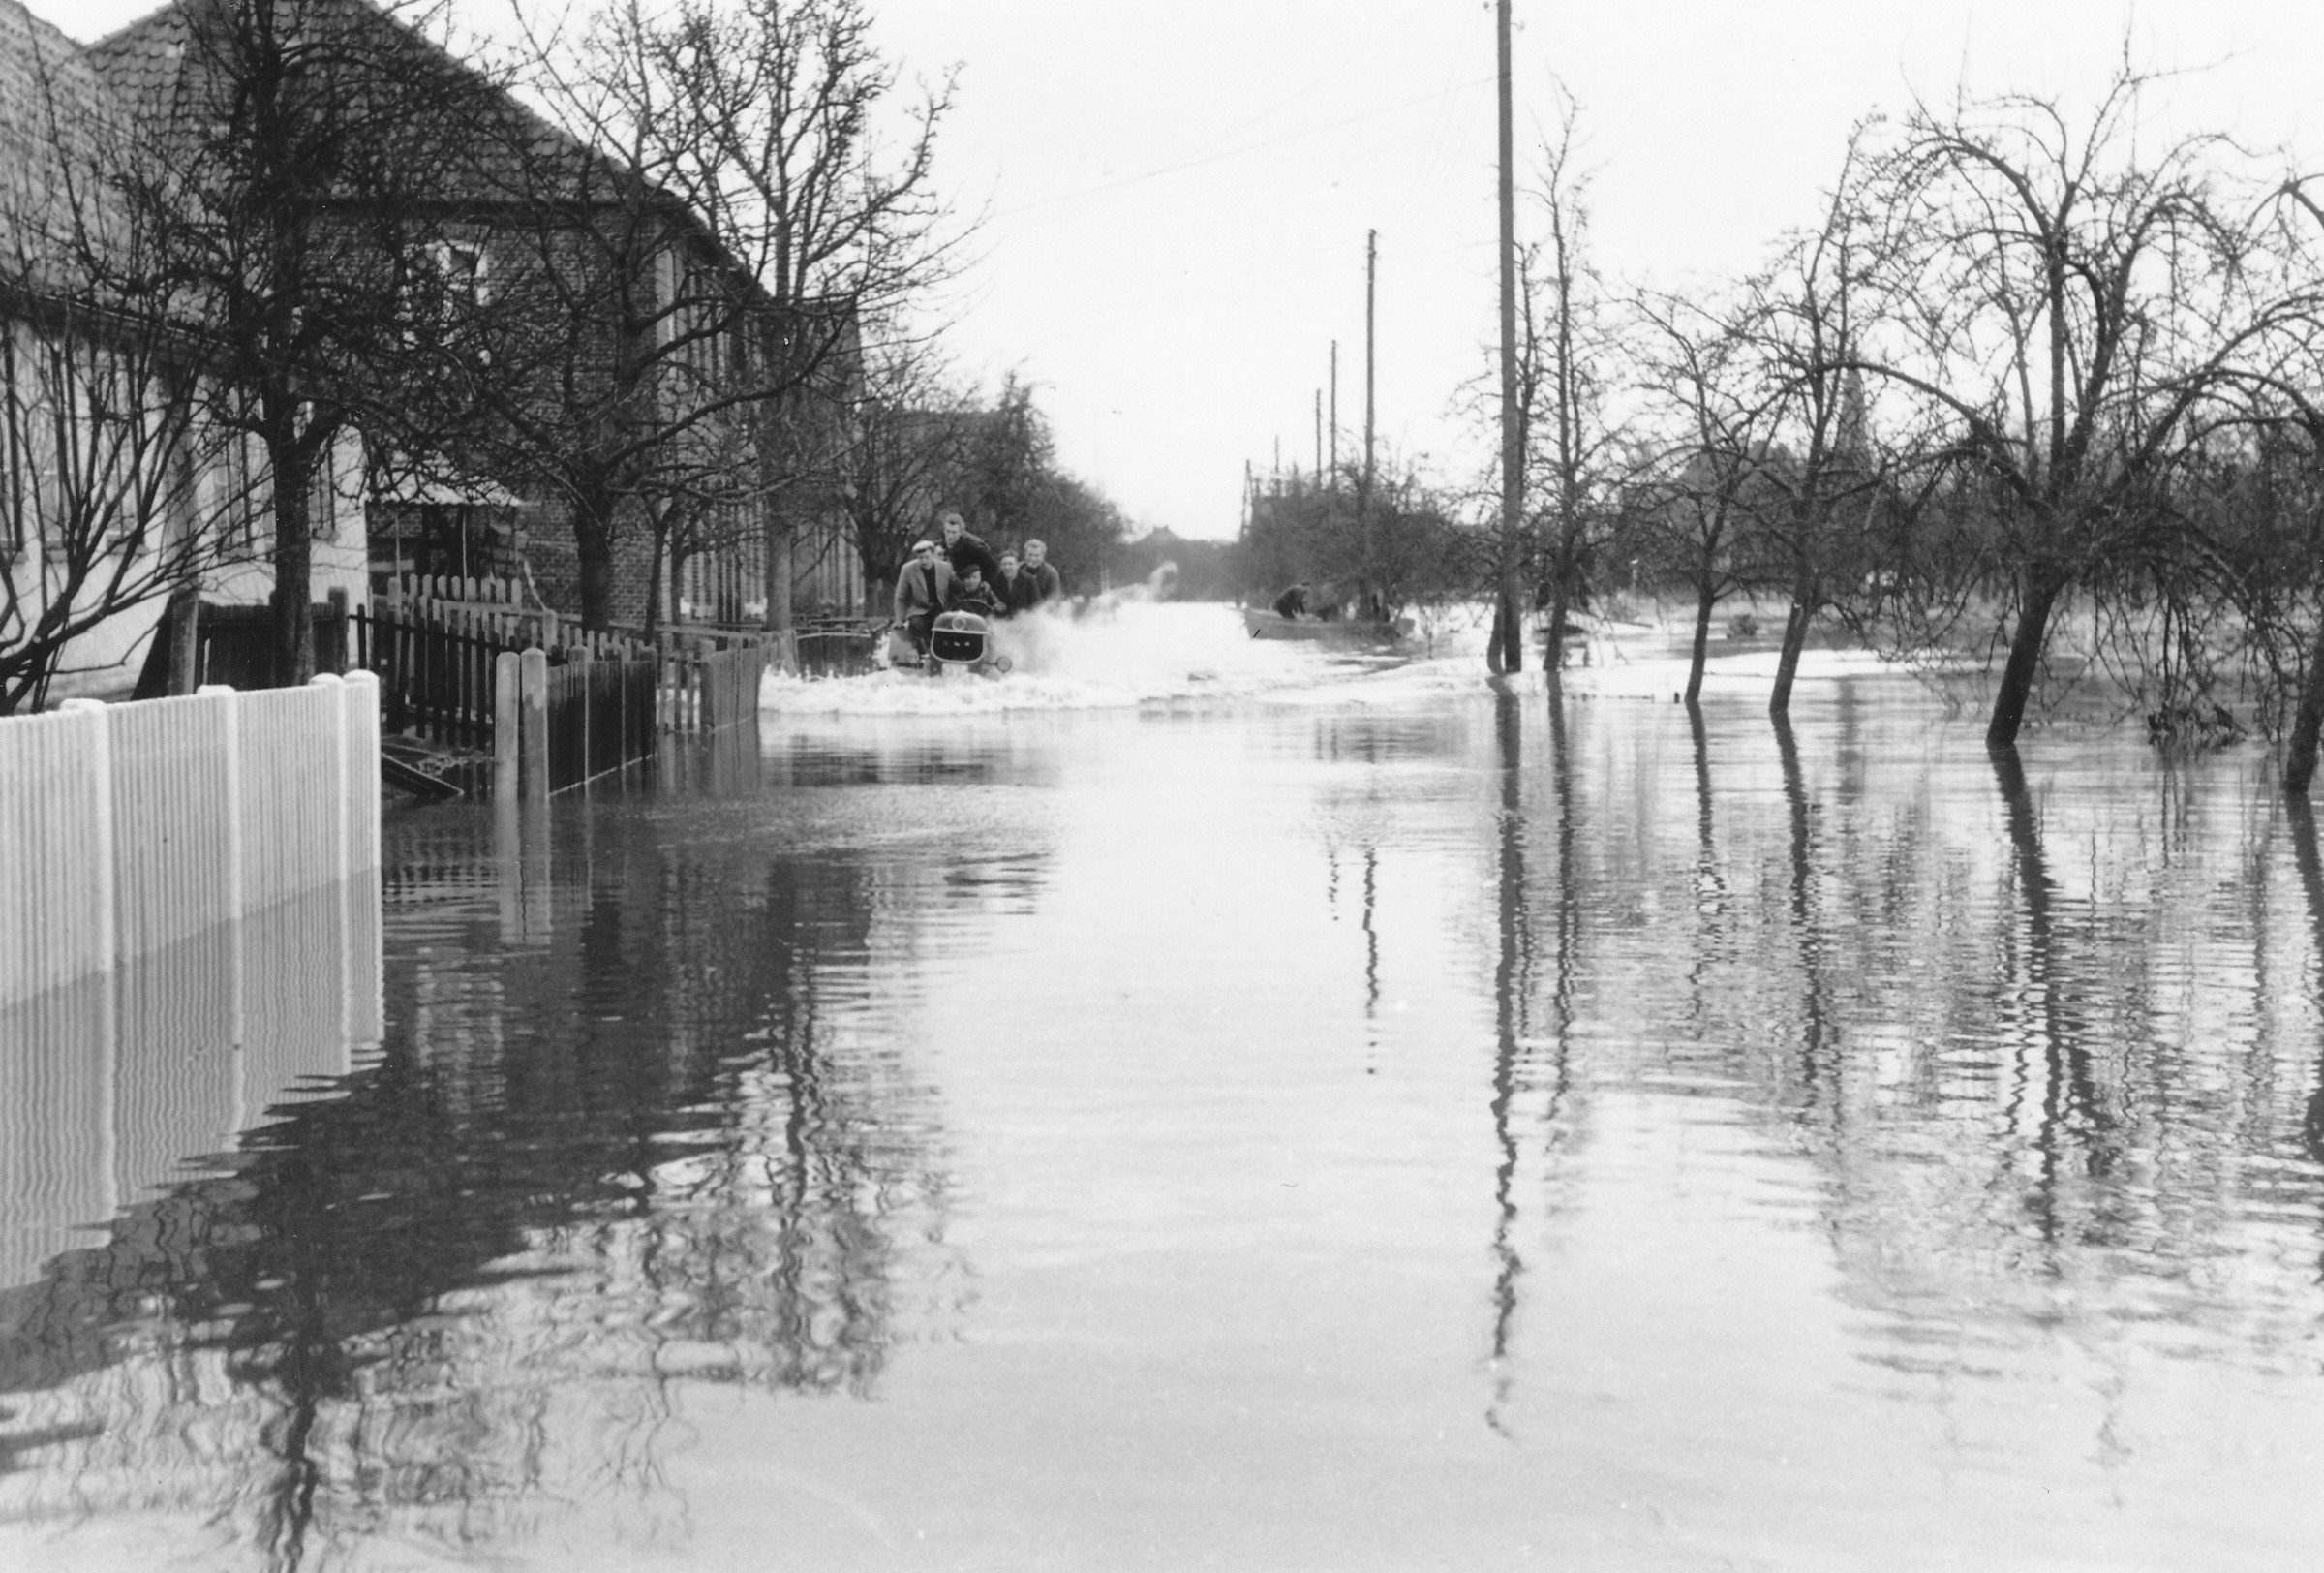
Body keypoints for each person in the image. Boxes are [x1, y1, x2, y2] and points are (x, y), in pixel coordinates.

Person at [892, 538, 951, 656]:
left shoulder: (945, 568)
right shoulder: (908, 569)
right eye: (920, 558)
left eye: (927, 557)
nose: (924, 561)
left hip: (940, 608)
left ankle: (943, 655)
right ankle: (922, 655)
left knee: (945, 626)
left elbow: (956, 588)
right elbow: (900, 597)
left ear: (933, 554)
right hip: (919, 610)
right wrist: (899, 619)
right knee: (916, 625)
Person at [938, 510, 1005, 588]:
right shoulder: (940, 545)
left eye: (954, 532)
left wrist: (985, 583)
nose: (950, 536)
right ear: (944, 531)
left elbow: (993, 566)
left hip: (972, 586)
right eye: (948, 531)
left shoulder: (973, 547)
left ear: (960, 532)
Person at [993, 551, 1038, 617]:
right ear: (1001, 566)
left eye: (1010, 564)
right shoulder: (997, 580)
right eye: (1004, 564)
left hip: (1026, 618)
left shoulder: (1029, 580)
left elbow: (1036, 604)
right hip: (1004, 620)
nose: (1007, 567)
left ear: (1017, 566)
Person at [1022, 538, 1063, 606]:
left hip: (1042, 611)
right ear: (1025, 555)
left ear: (1042, 556)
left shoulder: (1051, 573)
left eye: (1036, 555)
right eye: (1030, 555)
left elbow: (1053, 601)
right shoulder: (1017, 569)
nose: (1033, 559)